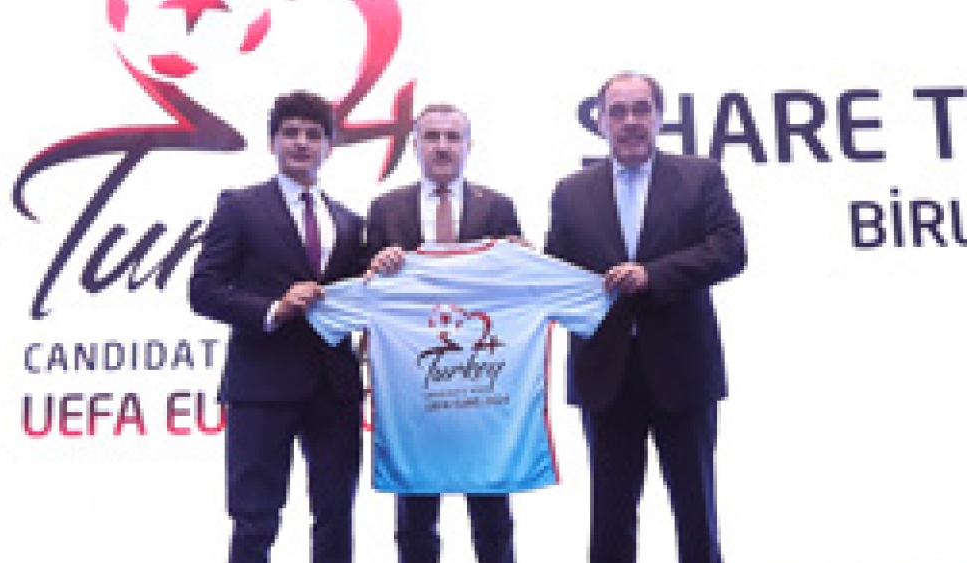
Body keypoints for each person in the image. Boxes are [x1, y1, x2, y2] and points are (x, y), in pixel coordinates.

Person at [544, 72, 746, 563]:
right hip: (605, 378)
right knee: (610, 520)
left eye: (641, 109)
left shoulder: (701, 176)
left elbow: (730, 250)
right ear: (599, 121)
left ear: (659, 116)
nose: (630, 121)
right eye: (618, 111)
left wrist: (652, 276)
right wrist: (522, 261)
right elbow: (558, 275)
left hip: (684, 373)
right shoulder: (570, 192)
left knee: (696, 515)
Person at [189, 91, 366, 563]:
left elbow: (368, 294)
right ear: (272, 143)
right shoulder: (239, 206)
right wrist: (272, 309)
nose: (301, 143)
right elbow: (203, 290)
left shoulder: (351, 222)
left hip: (335, 389)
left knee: (336, 517)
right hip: (262, 384)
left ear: (329, 146)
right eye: (290, 133)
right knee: (255, 520)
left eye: (313, 134)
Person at [365, 103, 521, 563]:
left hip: (480, 381)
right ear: (414, 145)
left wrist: (520, 257)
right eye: (431, 136)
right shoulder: (385, 208)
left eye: (453, 137)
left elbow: (516, 291)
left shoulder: (498, 206)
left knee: (492, 513)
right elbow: (365, 289)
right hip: (414, 384)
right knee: (415, 516)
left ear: (469, 146)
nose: (442, 146)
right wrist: (377, 266)